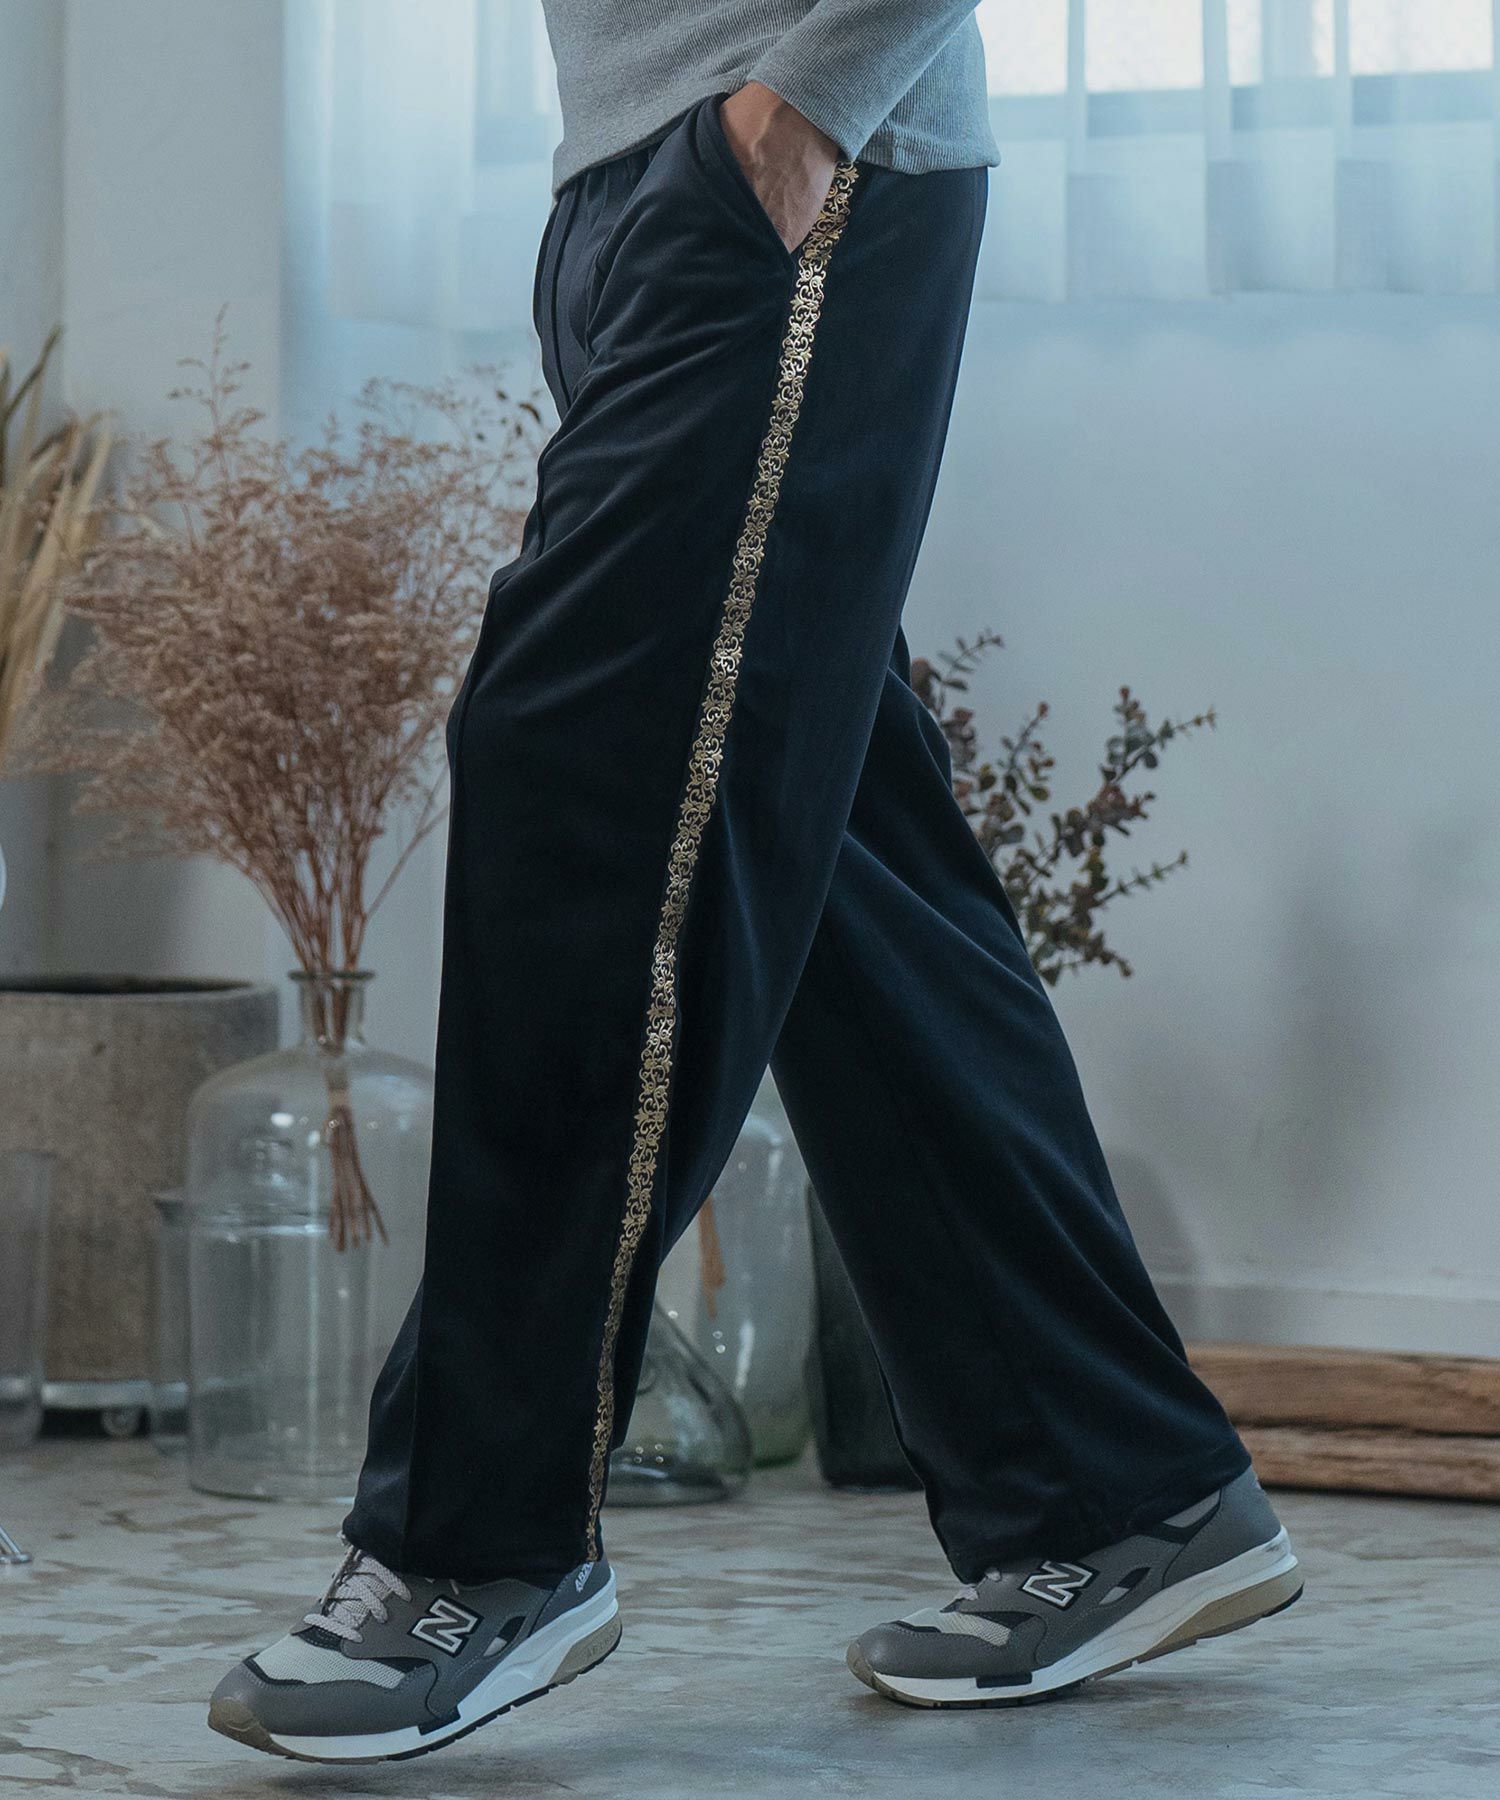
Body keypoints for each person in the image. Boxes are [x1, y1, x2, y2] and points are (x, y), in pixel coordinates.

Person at [210, 2, 1300, 1763]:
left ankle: (476, 1545)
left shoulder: (792, 141)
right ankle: (1112, 1485)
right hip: (651, 177)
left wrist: (805, 110)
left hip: (790, 153)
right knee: (841, 860)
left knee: (576, 780)